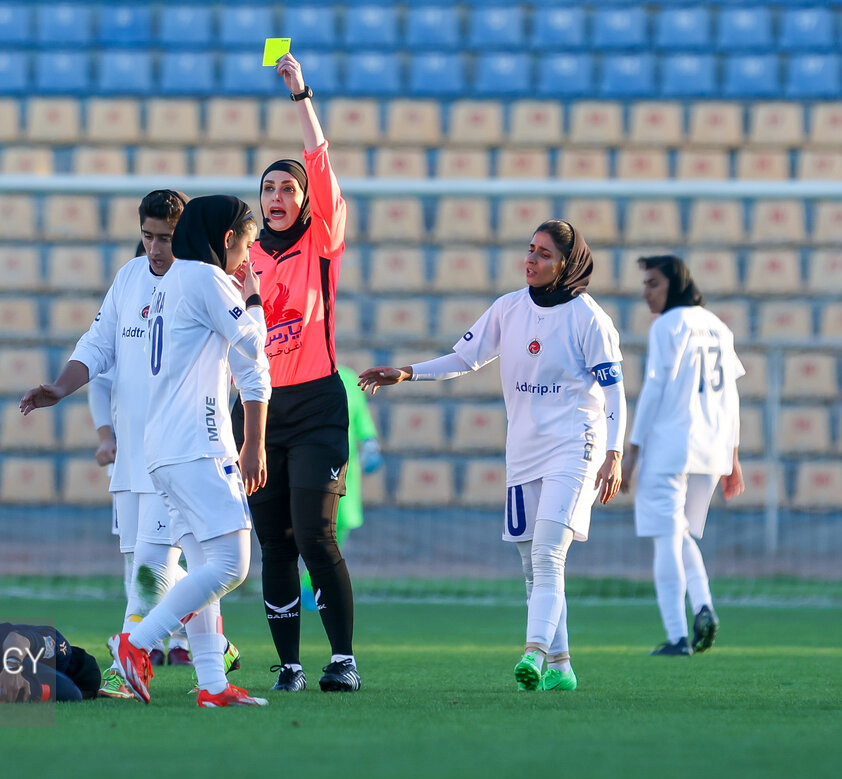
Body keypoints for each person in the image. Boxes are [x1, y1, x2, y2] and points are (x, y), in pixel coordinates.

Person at [359, 220, 626, 692]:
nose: (531, 260)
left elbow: (615, 392)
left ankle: (533, 655)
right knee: (531, 564)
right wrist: (407, 372)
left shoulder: (589, 318)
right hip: (524, 450)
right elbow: (464, 359)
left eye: (544, 254)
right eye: (530, 250)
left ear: (567, 264)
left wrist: (614, 452)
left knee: (547, 556)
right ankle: (562, 668)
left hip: (574, 446)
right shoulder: (508, 308)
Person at [20, 191, 237, 701]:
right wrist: (59, 386)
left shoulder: (201, 283)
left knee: (153, 564)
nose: (156, 248)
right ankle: (213, 670)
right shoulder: (129, 278)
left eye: (166, 238)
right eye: (149, 236)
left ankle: (129, 661)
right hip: (135, 455)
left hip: (182, 450)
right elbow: (97, 344)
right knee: (165, 563)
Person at [107, 194, 272, 707]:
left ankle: (213, 684)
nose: (247, 257)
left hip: (161, 447)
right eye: (246, 244)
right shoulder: (206, 277)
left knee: (204, 566)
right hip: (197, 444)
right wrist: (253, 299)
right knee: (231, 566)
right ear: (227, 239)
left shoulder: (171, 281)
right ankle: (136, 643)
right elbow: (252, 346)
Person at [233, 52, 360, 693]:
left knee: (315, 535)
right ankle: (288, 666)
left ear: (306, 200)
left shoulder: (320, 241)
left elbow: (320, 162)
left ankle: (343, 660)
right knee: (274, 544)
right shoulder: (241, 257)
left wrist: (300, 95)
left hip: (315, 405)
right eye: (269, 190)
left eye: (289, 188)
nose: (278, 197)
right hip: (256, 412)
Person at [620, 255, 745, 656]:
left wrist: (631, 452)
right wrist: (733, 455)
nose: (646, 292)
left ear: (674, 285)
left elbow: (654, 391)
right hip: (710, 451)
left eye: (653, 283)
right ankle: (704, 606)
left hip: (671, 448)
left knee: (665, 540)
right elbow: (732, 397)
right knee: (681, 534)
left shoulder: (668, 327)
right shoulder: (717, 326)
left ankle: (677, 637)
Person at [301, 365, 382, 611]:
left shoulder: (347, 377)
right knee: (310, 527)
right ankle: (304, 586)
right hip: (308, 464)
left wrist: (369, 443)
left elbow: (360, 417)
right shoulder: (303, 375)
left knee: (340, 526)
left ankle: (311, 584)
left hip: (345, 470)